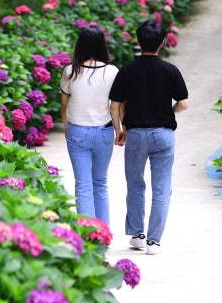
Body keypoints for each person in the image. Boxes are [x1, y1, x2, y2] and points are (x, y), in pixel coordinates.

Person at [109, 19, 189, 255]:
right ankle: (154, 241)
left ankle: (138, 235)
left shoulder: (127, 70)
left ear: (137, 41)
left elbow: (115, 105)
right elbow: (183, 104)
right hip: (164, 135)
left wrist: (119, 129)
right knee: (162, 187)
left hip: (135, 134)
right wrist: (168, 113)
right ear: (162, 44)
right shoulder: (170, 70)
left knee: (135, 184)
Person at [60, 24, 121, 226]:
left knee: (83, 185)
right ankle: (104, 232)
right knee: (100, 183)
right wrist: (120, 128)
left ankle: (88, 235)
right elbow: (116, 105)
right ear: (102, 45)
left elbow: (64, 104)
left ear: (80, 45)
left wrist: (68, 126)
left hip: (77, 131)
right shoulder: (112, 72)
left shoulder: (70, 71)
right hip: (104, 132)